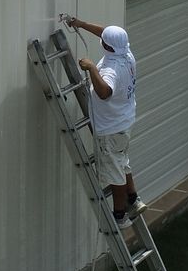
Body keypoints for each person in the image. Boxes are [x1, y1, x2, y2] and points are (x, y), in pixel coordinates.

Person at [59, 14, 141, 228]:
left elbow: (104, 92)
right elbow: (106, 34)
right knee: (122, 162)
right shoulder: (127, 53)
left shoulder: (111, 69)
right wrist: (81, 24)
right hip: (124, 122)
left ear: (108, 47)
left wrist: (92, 68)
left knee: (115, 174)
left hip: (110, 129)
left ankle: (120, 215)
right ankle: (134, 199)